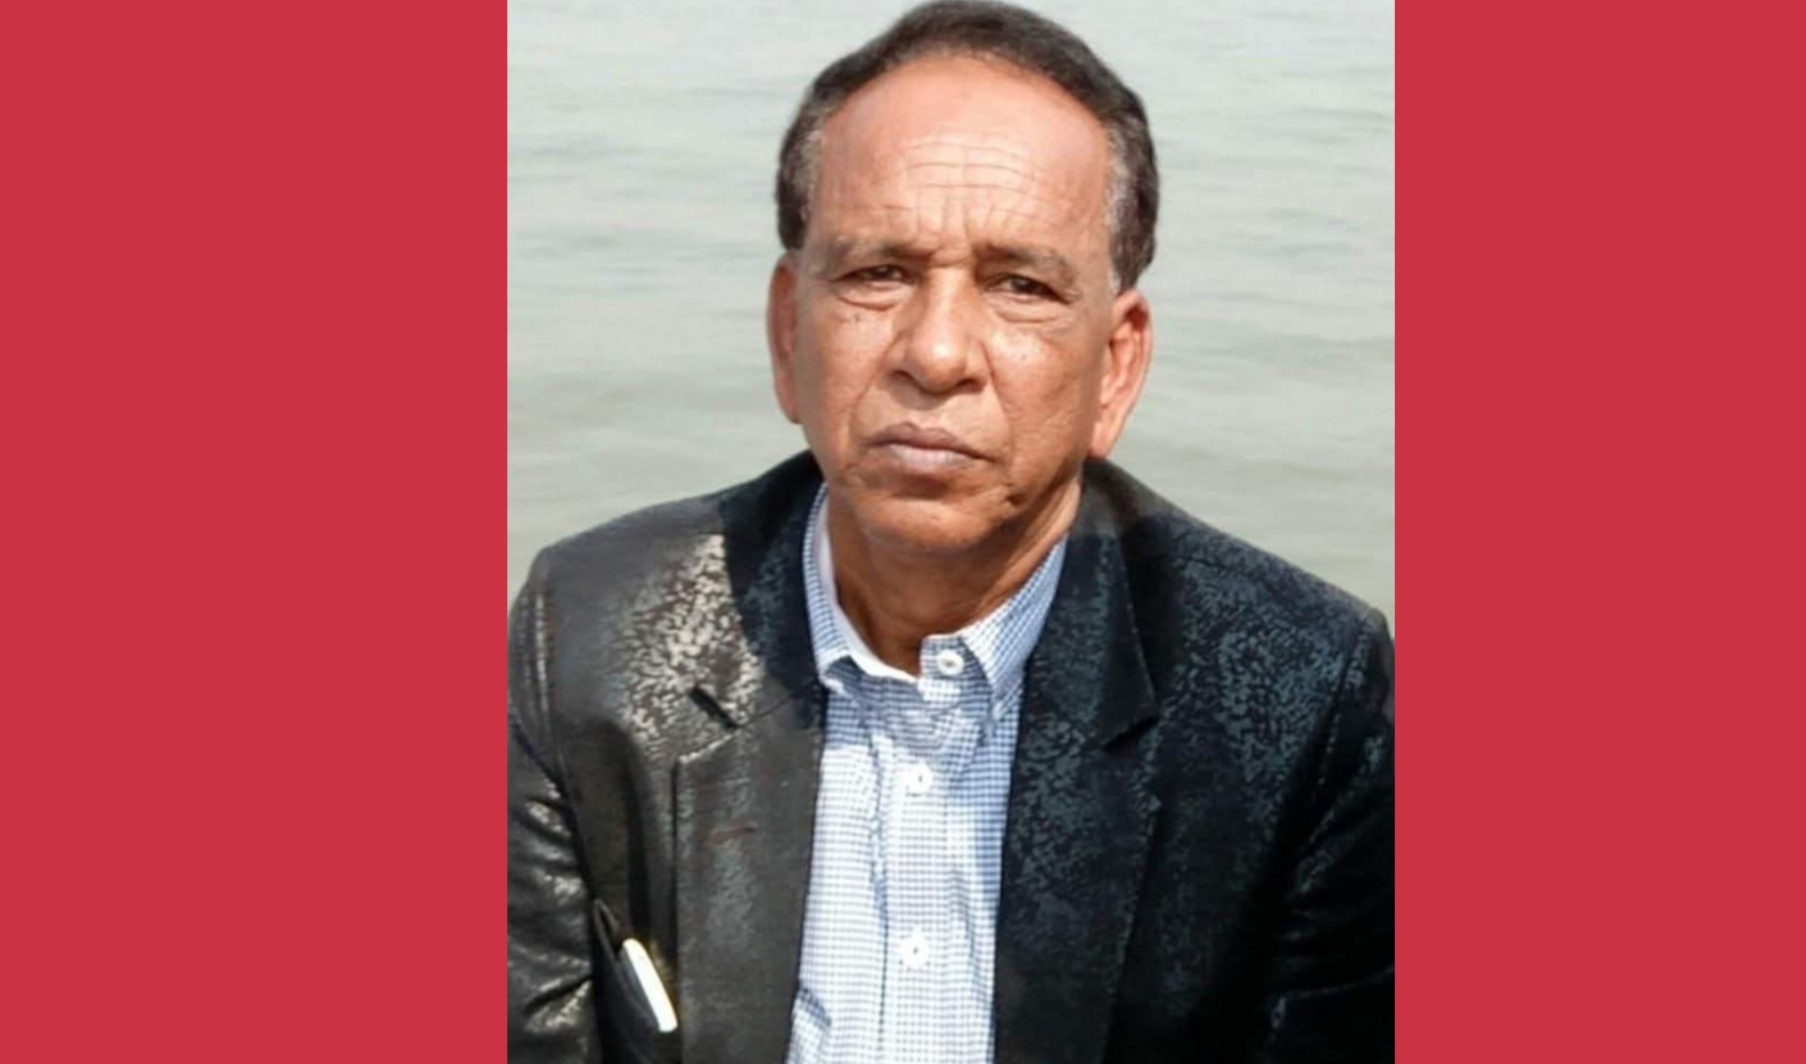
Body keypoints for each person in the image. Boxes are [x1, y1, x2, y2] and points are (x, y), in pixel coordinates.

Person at [507, 2, 1393, 1061]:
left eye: (1020, 286)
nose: (935, 353)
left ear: (1115, 367)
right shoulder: (593, 637)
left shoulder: (1304, 697)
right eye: (877, 274)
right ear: (788, 333)